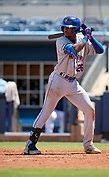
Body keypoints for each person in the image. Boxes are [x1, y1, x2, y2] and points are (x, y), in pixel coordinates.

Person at [23, 15, 104, 155]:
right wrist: (85, 38)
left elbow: (100, 50)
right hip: (58, 81)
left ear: (76, 30)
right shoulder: (61, 41)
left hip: (73, 83)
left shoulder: (82, 40)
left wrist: (90, 37)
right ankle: (30, 145)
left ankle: (88, 145)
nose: (66, 30)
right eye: (65, 28)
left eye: (70, 28)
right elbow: (73, 50)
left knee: (89, 109)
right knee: (46, 113)